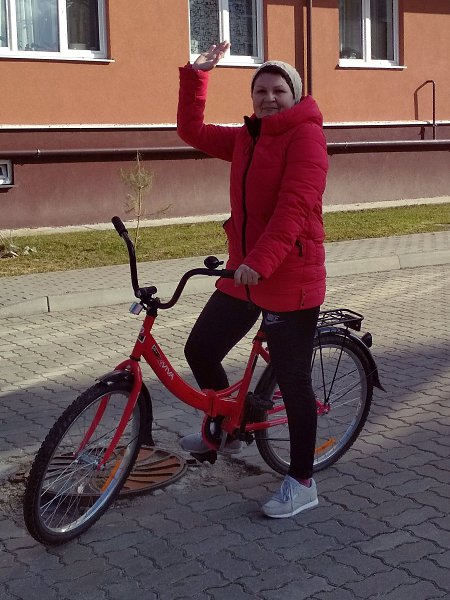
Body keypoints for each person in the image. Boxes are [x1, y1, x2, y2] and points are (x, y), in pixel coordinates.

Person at [176, 41, 328, 518]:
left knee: (294, 381)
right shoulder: (248, 136)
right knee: (201, 349)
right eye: (260, 90)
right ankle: (229, 430)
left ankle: (302, 482)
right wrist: (197, 76)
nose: (268, 98)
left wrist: (260, 262)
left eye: (278, 90)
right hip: (246, 271)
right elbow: (192, 131)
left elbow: (294, 209)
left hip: (290, 275)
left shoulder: (306, 137)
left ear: (295, 94)